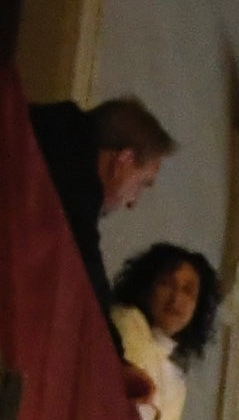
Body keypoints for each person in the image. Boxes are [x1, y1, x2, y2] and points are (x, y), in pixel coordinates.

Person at [27, 88, 175, 295]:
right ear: (124, 161)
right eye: (142, 184)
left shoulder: (49, 119)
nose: (133, 203)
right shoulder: (80, 194)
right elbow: (90, 294)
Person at [107, 240, 219, 420]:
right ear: (147, 286)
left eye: (188, 291)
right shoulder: (127, 320)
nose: (176, 299)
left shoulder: (177, 380)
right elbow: (135, 412)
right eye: (166, 283)